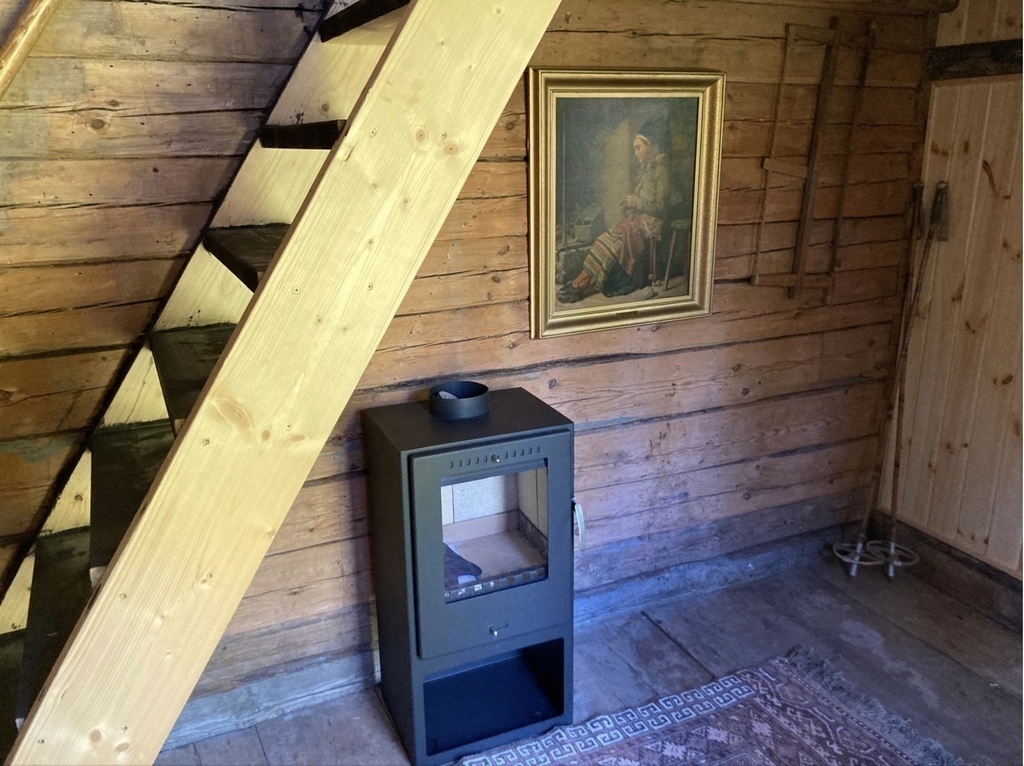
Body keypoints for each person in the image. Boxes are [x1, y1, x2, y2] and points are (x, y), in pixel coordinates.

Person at [558, 125, 671, 303]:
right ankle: (581, 281)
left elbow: (661, 208)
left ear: (650, 146)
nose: (636, 153)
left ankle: (582, 284)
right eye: (635, 148)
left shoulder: (661, 170)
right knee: (605, 240)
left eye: (638, 147)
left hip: (652, 226)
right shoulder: (646, 170)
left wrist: (637, 203)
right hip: (639, 221)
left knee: (613, 243)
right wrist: (630, 205)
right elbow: (642, 202)